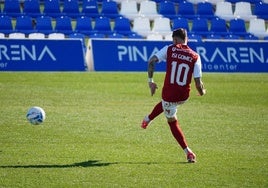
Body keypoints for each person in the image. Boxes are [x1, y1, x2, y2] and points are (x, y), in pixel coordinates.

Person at [141, 28, 206, 163]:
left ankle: (188, 152)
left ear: (175, 39)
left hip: (170, 94)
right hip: (184, 96)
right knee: (166, 104)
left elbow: (151, 61)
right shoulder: (195, 56)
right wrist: (202, 92)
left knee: (171, 119)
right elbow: (198, 84)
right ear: (186, 38)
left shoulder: (169, 49)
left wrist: (150, 82)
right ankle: (147, 119)